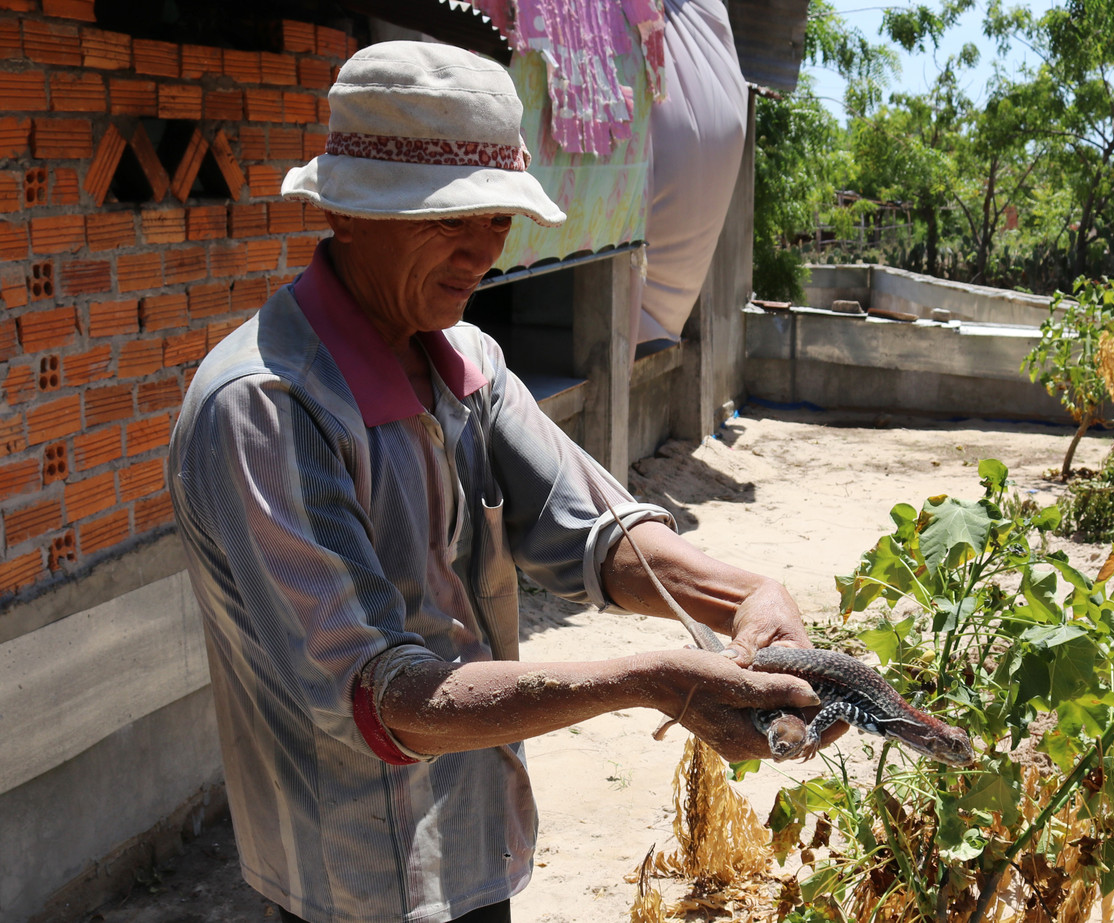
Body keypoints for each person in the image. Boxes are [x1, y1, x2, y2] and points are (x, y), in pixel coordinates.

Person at [169, 41, 827, 923]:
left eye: (499, 219)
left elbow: (595, 534)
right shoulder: (264, 406)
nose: (483, 249)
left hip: (476, 843)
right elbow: (384, 697)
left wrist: (746, 593)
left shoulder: (468, 364)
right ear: (347, 214)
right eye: (451, 218)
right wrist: (653, 678)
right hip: (353, 882)